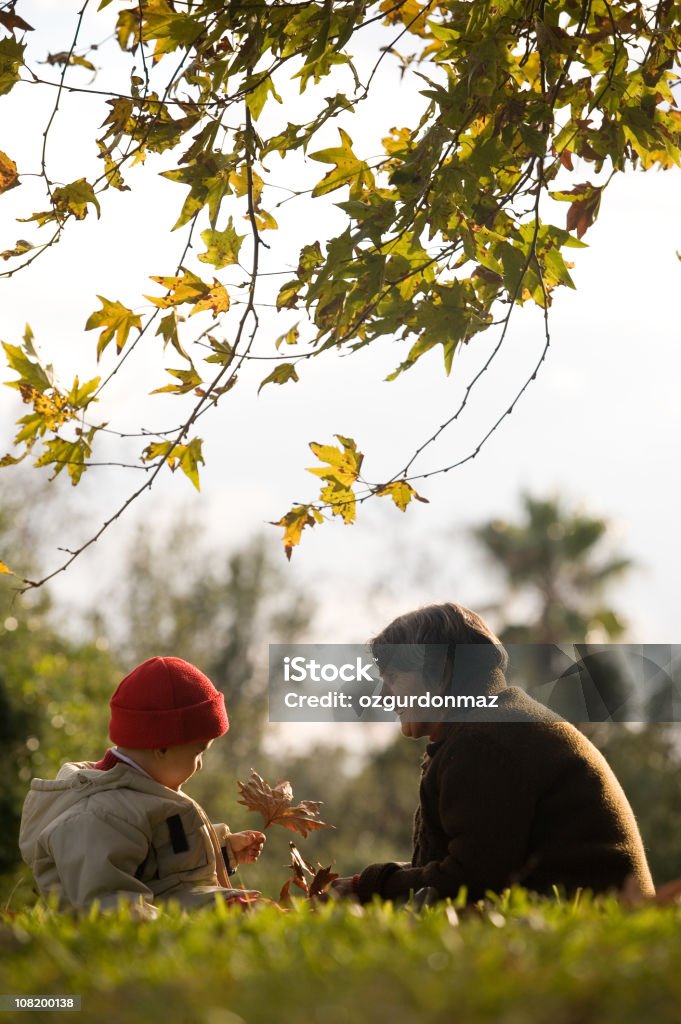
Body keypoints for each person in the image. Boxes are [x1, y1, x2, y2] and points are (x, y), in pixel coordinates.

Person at [331, 603, 655, 904]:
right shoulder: (491, 726)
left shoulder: (485, 742)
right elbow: (466, 865)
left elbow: (472, 882)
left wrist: (369, 887)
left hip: (591, 930)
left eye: (394, 678)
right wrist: (371, 883)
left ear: (440, 672)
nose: (385, 695)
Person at [19, 656, 266, 919]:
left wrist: (223, 851)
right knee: (254, 917)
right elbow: (108, 903)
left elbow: (165, 863)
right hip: (167, 928)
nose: (200, 766)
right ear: (162, 747)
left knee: (258, 912)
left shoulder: (142, 795)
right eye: (198, 753)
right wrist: (172, 933)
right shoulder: (101, 816)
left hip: (183, 908)